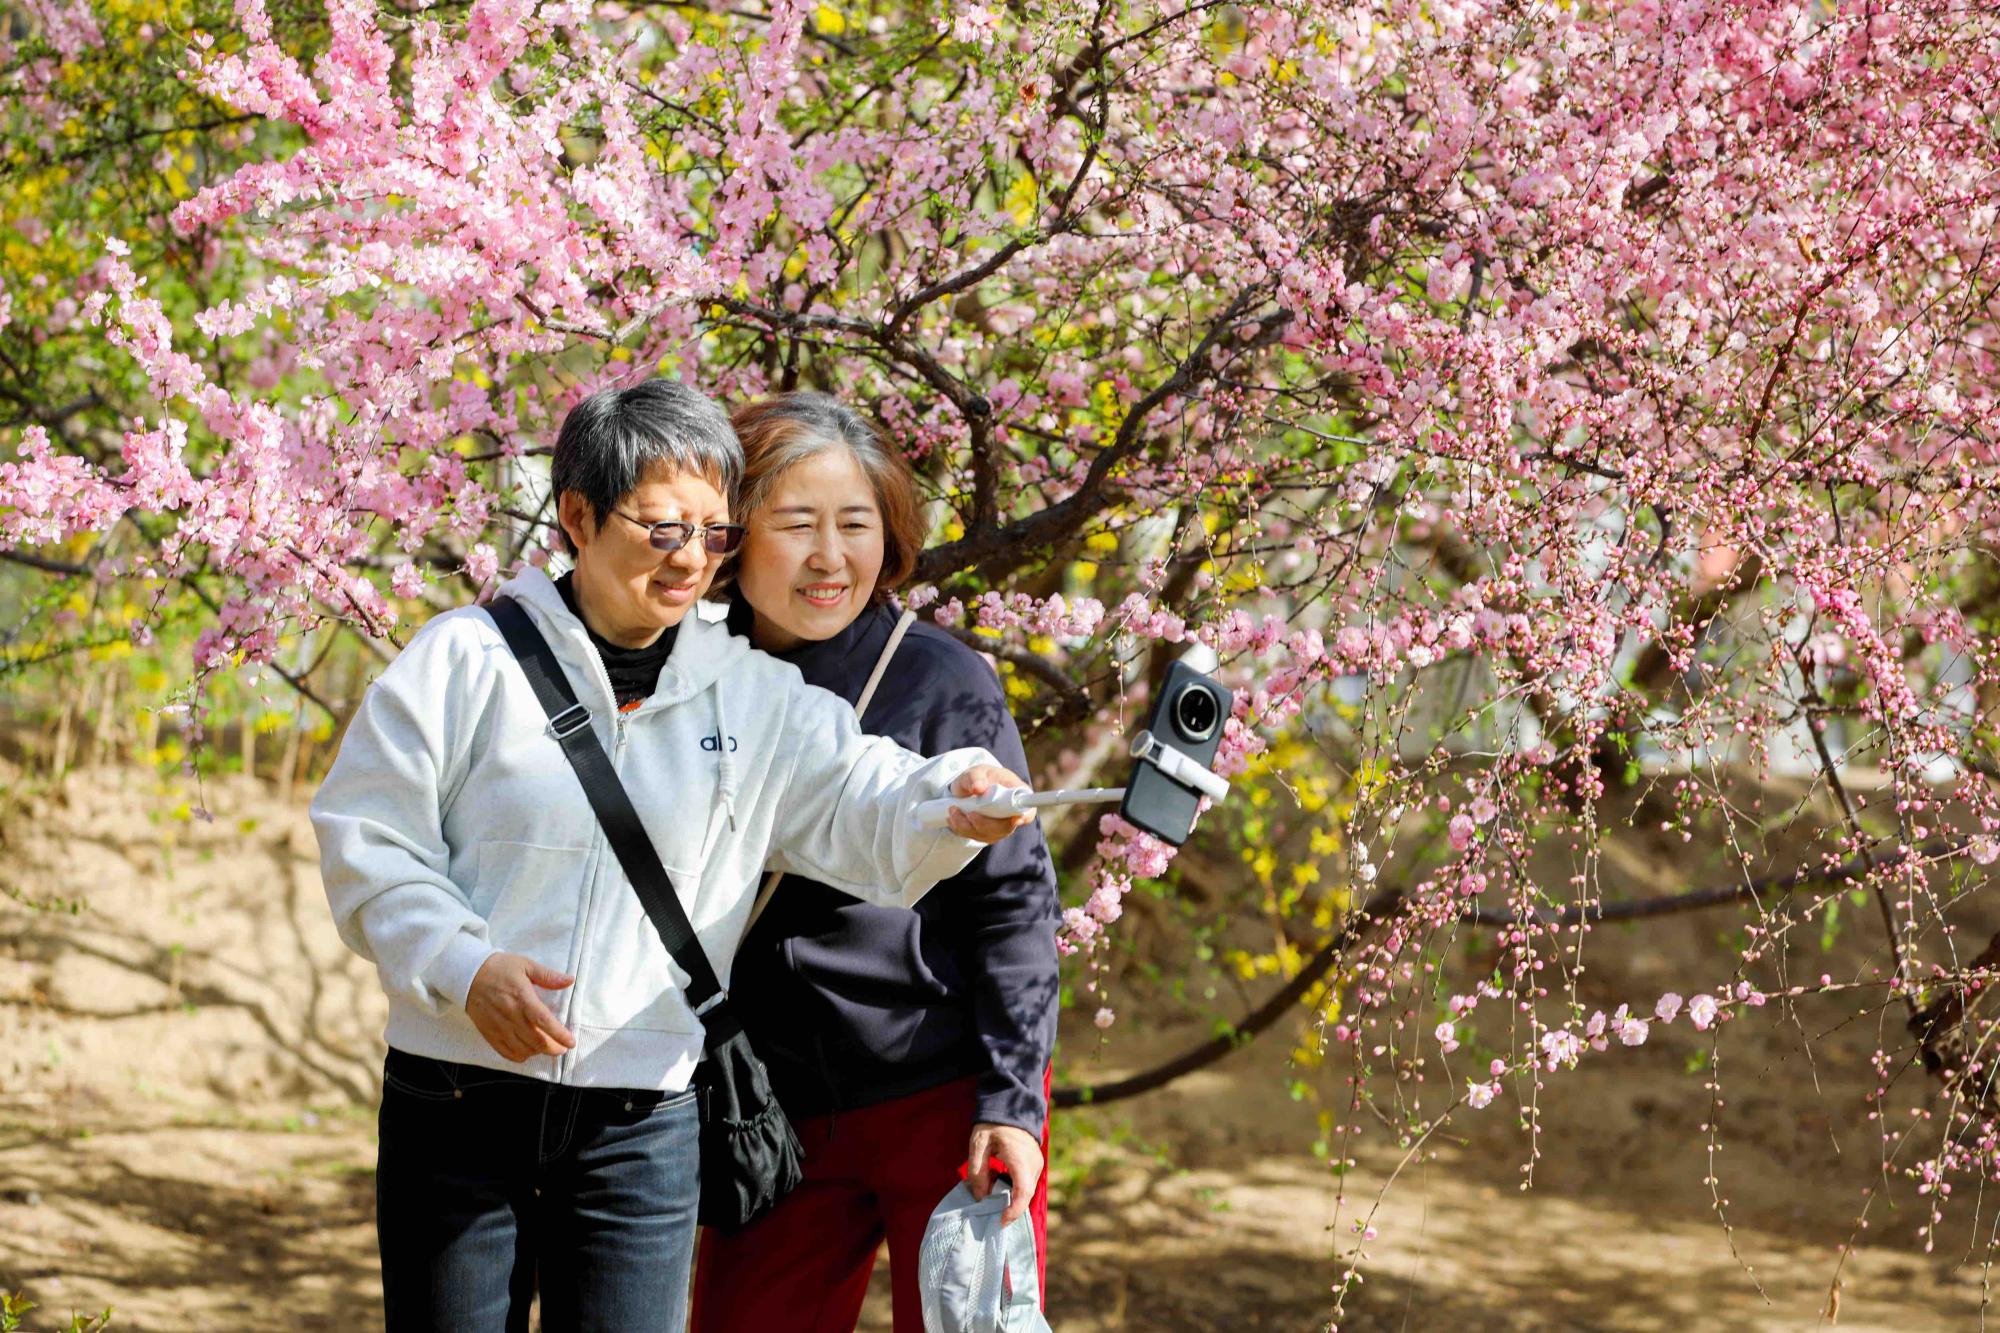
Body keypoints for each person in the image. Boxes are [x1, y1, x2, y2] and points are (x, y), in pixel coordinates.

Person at [310, 378, 1030, 1333]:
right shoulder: (463, 661)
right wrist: (463, 967)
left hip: (641, 1124)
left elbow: (870, 789)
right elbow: (370, 841)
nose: (691, 559)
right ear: (577, 516)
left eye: (714, 533)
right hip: (457, 1101)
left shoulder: (751, 694)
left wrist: (955, 796)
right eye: (661, 528)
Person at [691, 391, 1060, 1333]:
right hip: (771, 1102)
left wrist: (1012, 1105)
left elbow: (1014, 904)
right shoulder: (685, 670)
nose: (831, 557)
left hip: (936, 1093)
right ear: (734, 533)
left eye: (855, 524)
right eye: (797, 523)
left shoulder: (940, 680)